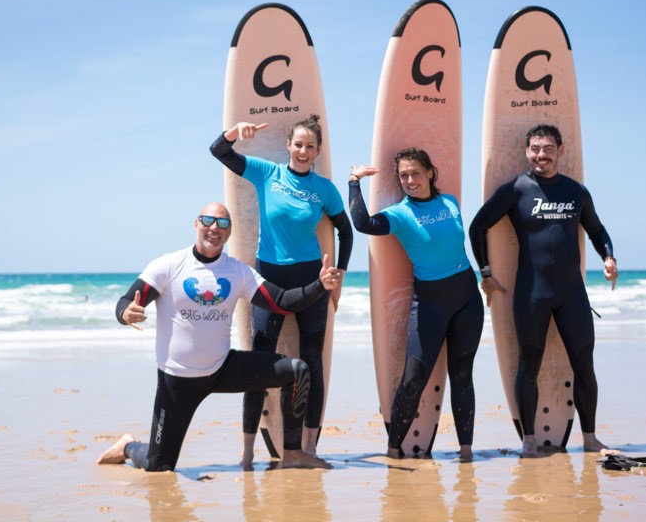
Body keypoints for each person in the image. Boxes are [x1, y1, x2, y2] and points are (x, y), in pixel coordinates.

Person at [95, 202, 339, 472]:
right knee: (158, 466)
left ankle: (292, 453)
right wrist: (125, 312)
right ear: (196, 224)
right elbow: (128, 299)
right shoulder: (168, 265)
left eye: (223, 223)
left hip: (221, 368)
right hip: (176, 381)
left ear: (230, 231)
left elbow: (281, 301)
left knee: (297, 370)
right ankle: (128, 446)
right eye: (208, 220)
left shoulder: (237, 272)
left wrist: (319, 286)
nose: (215, 228)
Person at [210, 115, 353, 467]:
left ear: (318, 152)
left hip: (310, 278)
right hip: (268, 278)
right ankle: (246, 454)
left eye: (310, 146)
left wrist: (337, 277)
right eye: (298, 144)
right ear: (288, 146)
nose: (304, 151)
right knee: (258, 361)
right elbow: (219, 151)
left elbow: (345, 231)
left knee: (311, 362)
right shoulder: (267, 173)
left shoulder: (324, 189)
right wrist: (234, 133)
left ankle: (307, 449)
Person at [469, 123, 619, 456]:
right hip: (531, 294)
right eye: (535, 149)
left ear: (559, 151)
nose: (541, 155)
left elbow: (597, 230)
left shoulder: (576, 191)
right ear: (527, 151)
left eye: (548, 149)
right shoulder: (516, 190)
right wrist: (487, 273)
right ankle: (529, 441)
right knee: (529, 366)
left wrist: (608, 257)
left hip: (572, 295)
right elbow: (478, 226)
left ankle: (591, 439)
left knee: (584, 364)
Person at [348, 148, 484, 461]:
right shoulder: (399, 214)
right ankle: (393, 451)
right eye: (404, 175)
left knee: (462, 376)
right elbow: (363, 223)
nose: (410, 180)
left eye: (416, 173)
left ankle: (466, 453)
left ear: (430, 173)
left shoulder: (450, 202)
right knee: (412, 380)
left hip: (467, 299)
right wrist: (354, 182)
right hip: (430, 305)